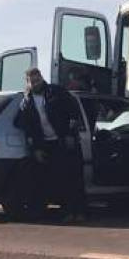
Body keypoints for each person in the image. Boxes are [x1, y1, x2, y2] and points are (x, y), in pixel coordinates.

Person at [13, 68, 85, 218]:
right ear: (28, 83)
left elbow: (73, 111)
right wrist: (35, 148)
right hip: (45, 145)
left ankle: (77, 212)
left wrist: (70, 133)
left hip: (62, 141)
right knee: (51, 180)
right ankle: (62, 212)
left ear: (41, 78)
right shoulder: (26, 101)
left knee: (70, 178)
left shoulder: (56, 92)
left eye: (37, 80)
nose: (35, 84)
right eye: (32, 82)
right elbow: (25, 125)